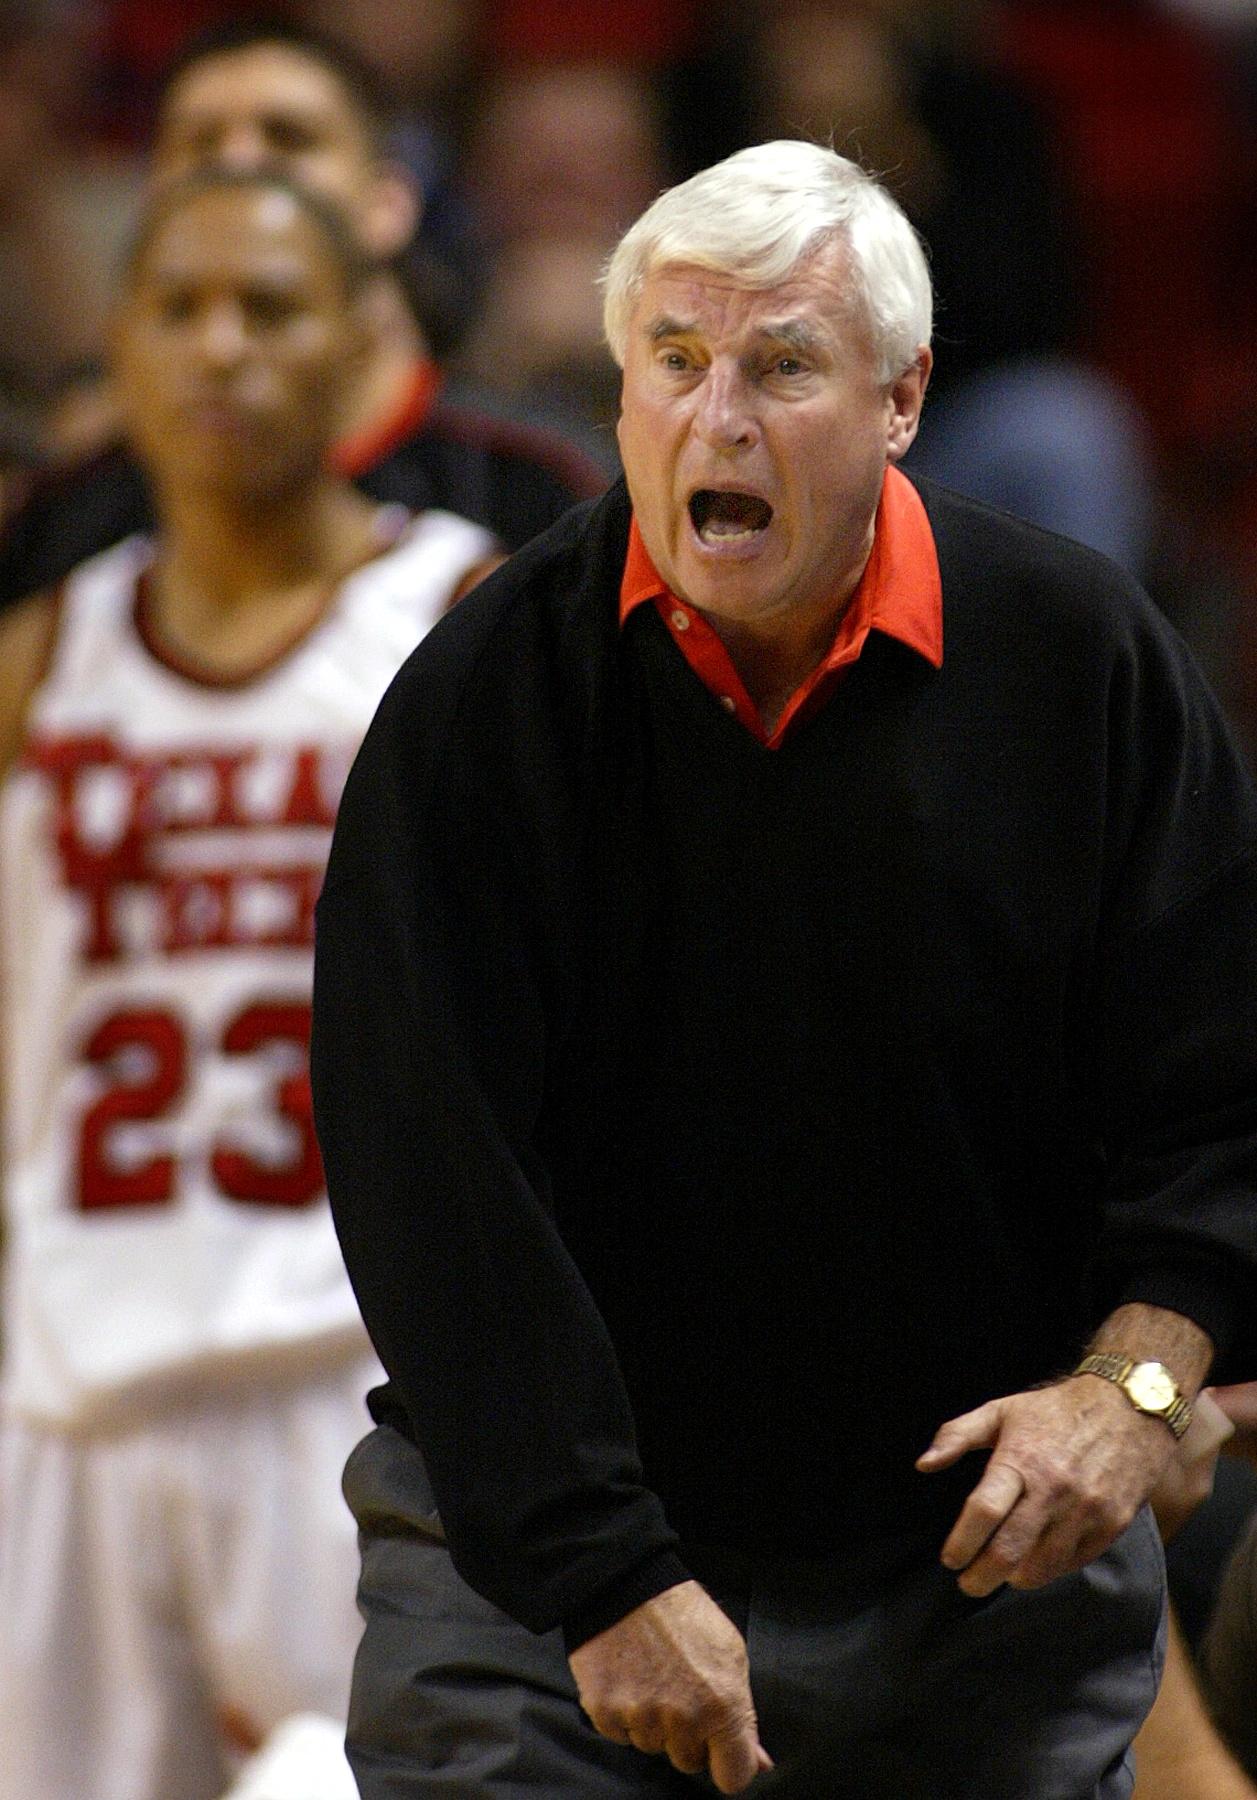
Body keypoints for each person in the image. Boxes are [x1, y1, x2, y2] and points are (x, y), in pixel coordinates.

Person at [310, 140, 1257, 1797]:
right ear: (618, 399)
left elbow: (1224, 1114)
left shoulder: (1082, 661)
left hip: (976, 1565)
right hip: (550, 1565)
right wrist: (604, 1574)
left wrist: (1130, 1390)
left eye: (781, 365)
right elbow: (426, 1180)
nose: (714, 417)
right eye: (669, 363)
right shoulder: (484, 699)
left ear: (901, 400)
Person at [0, 164, 497, 1800]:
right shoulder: (37, 656)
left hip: (349, 1373)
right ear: (120, 349)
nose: (224, 348)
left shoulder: (464, 618)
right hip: (70, 1382)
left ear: (364, 340)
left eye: (271, 308)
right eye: (181, 309)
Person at [0, 14, 605, 611]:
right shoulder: (66, 518)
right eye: (200, 143)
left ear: (387, 204)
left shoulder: (550, 491)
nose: (240, 167)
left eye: (289, 137)